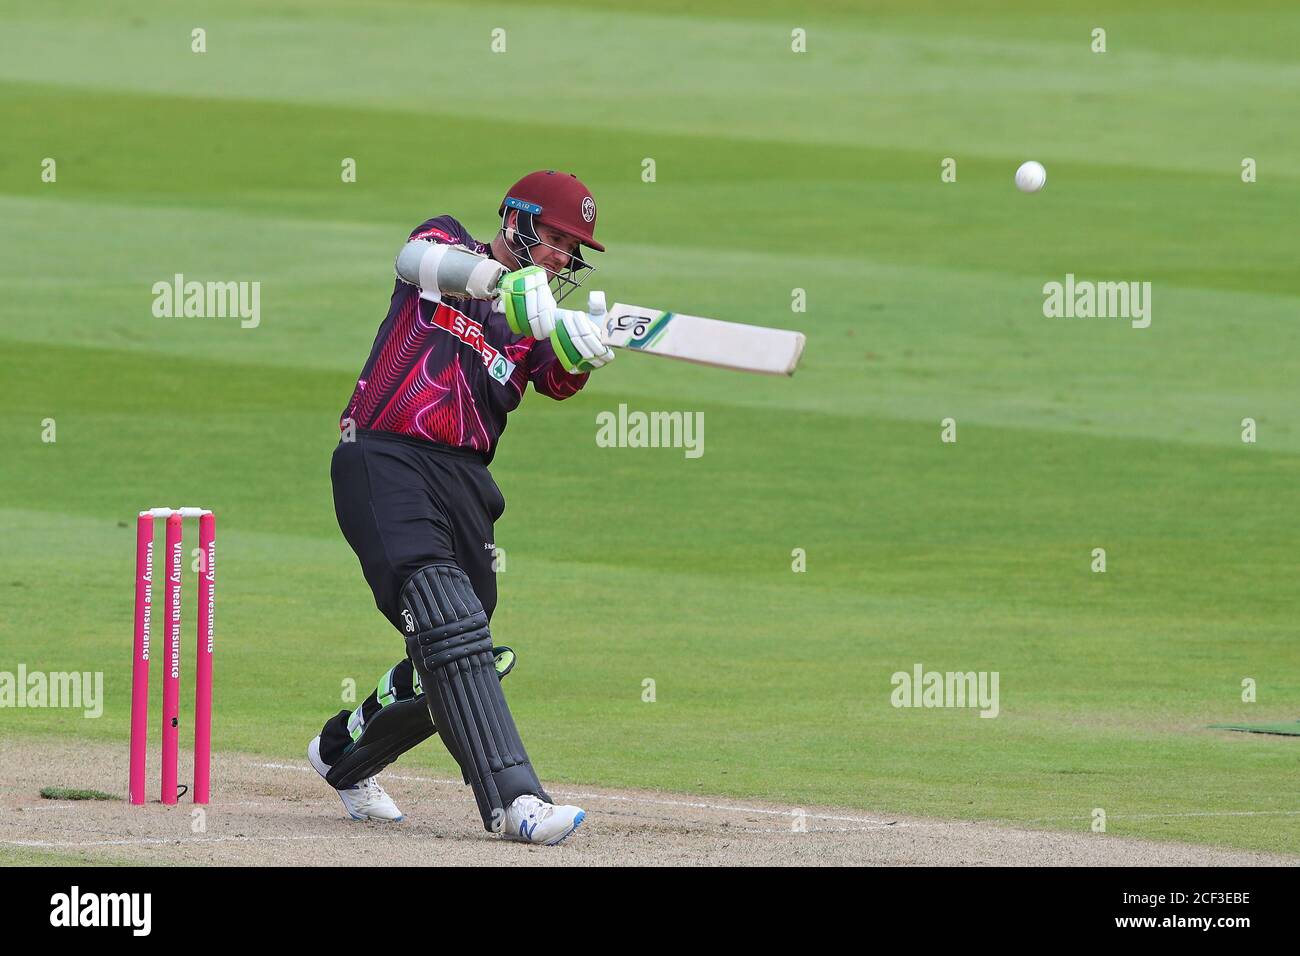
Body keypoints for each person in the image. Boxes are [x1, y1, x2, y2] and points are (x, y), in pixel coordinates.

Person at [306, 170, 613, 845]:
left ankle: (342, 750)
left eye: (572, 248)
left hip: (466, 482)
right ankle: (516, 802)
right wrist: (505, 285)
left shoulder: (533, 325)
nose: (562, 255)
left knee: (458, 645)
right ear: (517, 220)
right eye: (555, 238)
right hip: (382, 455)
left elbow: (557, 380)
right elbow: (414, 260)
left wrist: (585, 345)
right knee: (448, 623)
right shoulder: (446, 243)